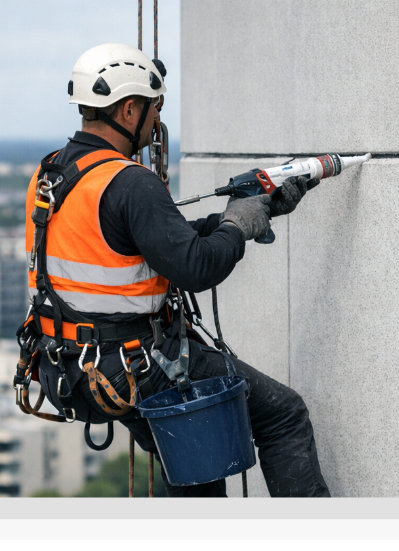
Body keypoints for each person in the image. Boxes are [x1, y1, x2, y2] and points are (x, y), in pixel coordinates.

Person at [21, 43, 330, 497]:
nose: (155, 120)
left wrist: (253, 210)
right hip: (135, 365)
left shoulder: (53, 174)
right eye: (152, 107)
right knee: (282, 415)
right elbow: (196, 267)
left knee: (195, 465)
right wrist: (235, 228)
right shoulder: (130, 182)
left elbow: (149, 240)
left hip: (66, 365)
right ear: (129, 109)